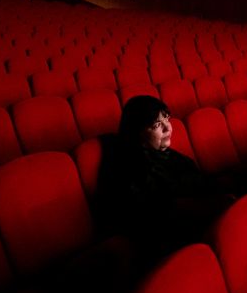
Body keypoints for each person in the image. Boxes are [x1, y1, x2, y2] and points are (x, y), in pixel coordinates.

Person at [95, 95, 232, 260]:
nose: (168, 128)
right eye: (157, 125)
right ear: (138, 133)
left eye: (167, 119)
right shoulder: (130, 168)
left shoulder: (167, 155)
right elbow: (159, 213)